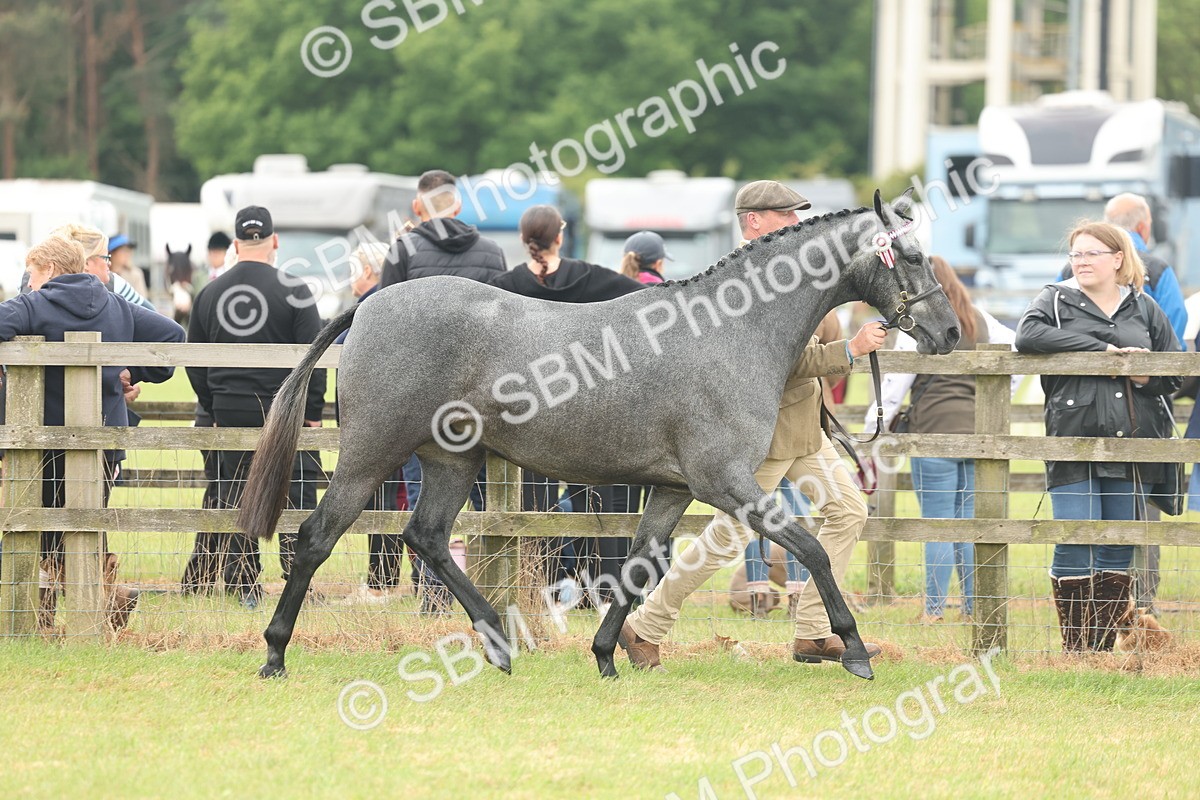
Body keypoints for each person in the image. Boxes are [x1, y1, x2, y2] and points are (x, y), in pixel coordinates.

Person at [620, 180, 887, 670]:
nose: (796, 223)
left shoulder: (793, 268)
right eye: (786, 216)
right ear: (754, 221)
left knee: (848, 510)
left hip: (804, 431)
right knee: (728, 537)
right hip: (757, 434)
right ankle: (646, 625)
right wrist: (848, 351)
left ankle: (812, 631)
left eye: (798, 214)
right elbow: (771, 362)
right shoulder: (739, 281)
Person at [0, 234, 184, 630]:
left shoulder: (35, 304)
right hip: (105, 442)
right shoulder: (116, 304)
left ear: (48, 270)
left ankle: (44, 618)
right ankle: (100, 608)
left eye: (32, 273)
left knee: (41, 530)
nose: (29, 281)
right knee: (85, 525)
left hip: (45, 443)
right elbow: (173, 337)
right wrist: (132, 372)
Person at [1016, 221, 1181, 653]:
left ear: (1117, 259)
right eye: (1077, 254)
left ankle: (1101, 648)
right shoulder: (1054, 299)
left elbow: (1178, 368)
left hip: (1133, 439)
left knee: (1118, 545)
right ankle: (1076, 649)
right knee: (1075, 538)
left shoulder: (1143, 307)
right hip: (1072, 437)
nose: (1082, 261)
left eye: (1092, 253)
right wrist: (1100, 351)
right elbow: (1027, 336)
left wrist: (1146, 375)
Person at [490, 205, 648, 610]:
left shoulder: (504, 285)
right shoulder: (589, 277)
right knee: (601, 501)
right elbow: (646, 298)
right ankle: (608, 591)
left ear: (527, 239)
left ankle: (535, 591)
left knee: (534, 502)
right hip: (590, 409)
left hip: (527, 413)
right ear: (559, 236)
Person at [186, 206, 327, 609]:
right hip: (283, 407)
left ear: (234, 244)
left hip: (230, 406)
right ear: (275, 241)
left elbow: (194, 358)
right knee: (295, 490)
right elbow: (314, 357)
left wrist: (211, 404)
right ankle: (296, 579)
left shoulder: (211, 293)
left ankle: (244, 582)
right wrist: (312, 409)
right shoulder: (296, 290)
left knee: (237, 491)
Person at [865, 256, 1020, 623]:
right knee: (967, 525)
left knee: (936, 524)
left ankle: (933, 611)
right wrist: (995, 399)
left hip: (932, 433)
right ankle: (972, 610)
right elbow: (1015, 354)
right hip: (978, 432)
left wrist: (873, 424)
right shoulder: (980, 318)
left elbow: (896, 384)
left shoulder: (917, 323)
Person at [379, 170, 506, 613]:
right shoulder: (491, 252)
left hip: (421, 397)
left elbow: (385, 325)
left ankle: (434, 594)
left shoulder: (405, 250)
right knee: (488, 494)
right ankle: (497, 586)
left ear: (418, 207)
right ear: (458, 206)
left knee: (424, 493)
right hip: (484, 400)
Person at [335, 242, 412, 600]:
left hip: (387, 417)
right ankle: (389, 579)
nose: (351, 278)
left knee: (385, 496)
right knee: (394, 496)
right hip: (399, 414)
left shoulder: (375, 305)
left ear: (368, 271)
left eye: (353, 269)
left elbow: (345, 344)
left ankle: (382, 582)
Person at [108, 233, 149, 299]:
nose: (128, 254)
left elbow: (142, 302)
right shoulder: (103, 274)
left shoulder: (135, 274)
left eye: (129, 251)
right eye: (124, 251)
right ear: (111, 253)